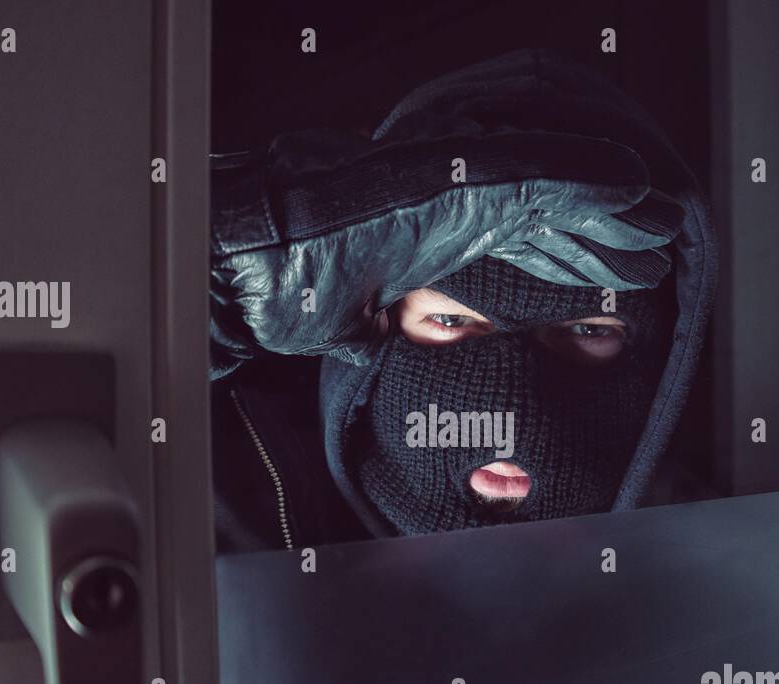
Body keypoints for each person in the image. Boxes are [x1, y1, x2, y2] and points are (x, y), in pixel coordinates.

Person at [209, 49, 717, 552]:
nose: (510, 405)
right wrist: (233, 270)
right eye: (451, 318)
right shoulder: (209, 505)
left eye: (589, 329)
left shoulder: (734, 547)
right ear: (371, 324)